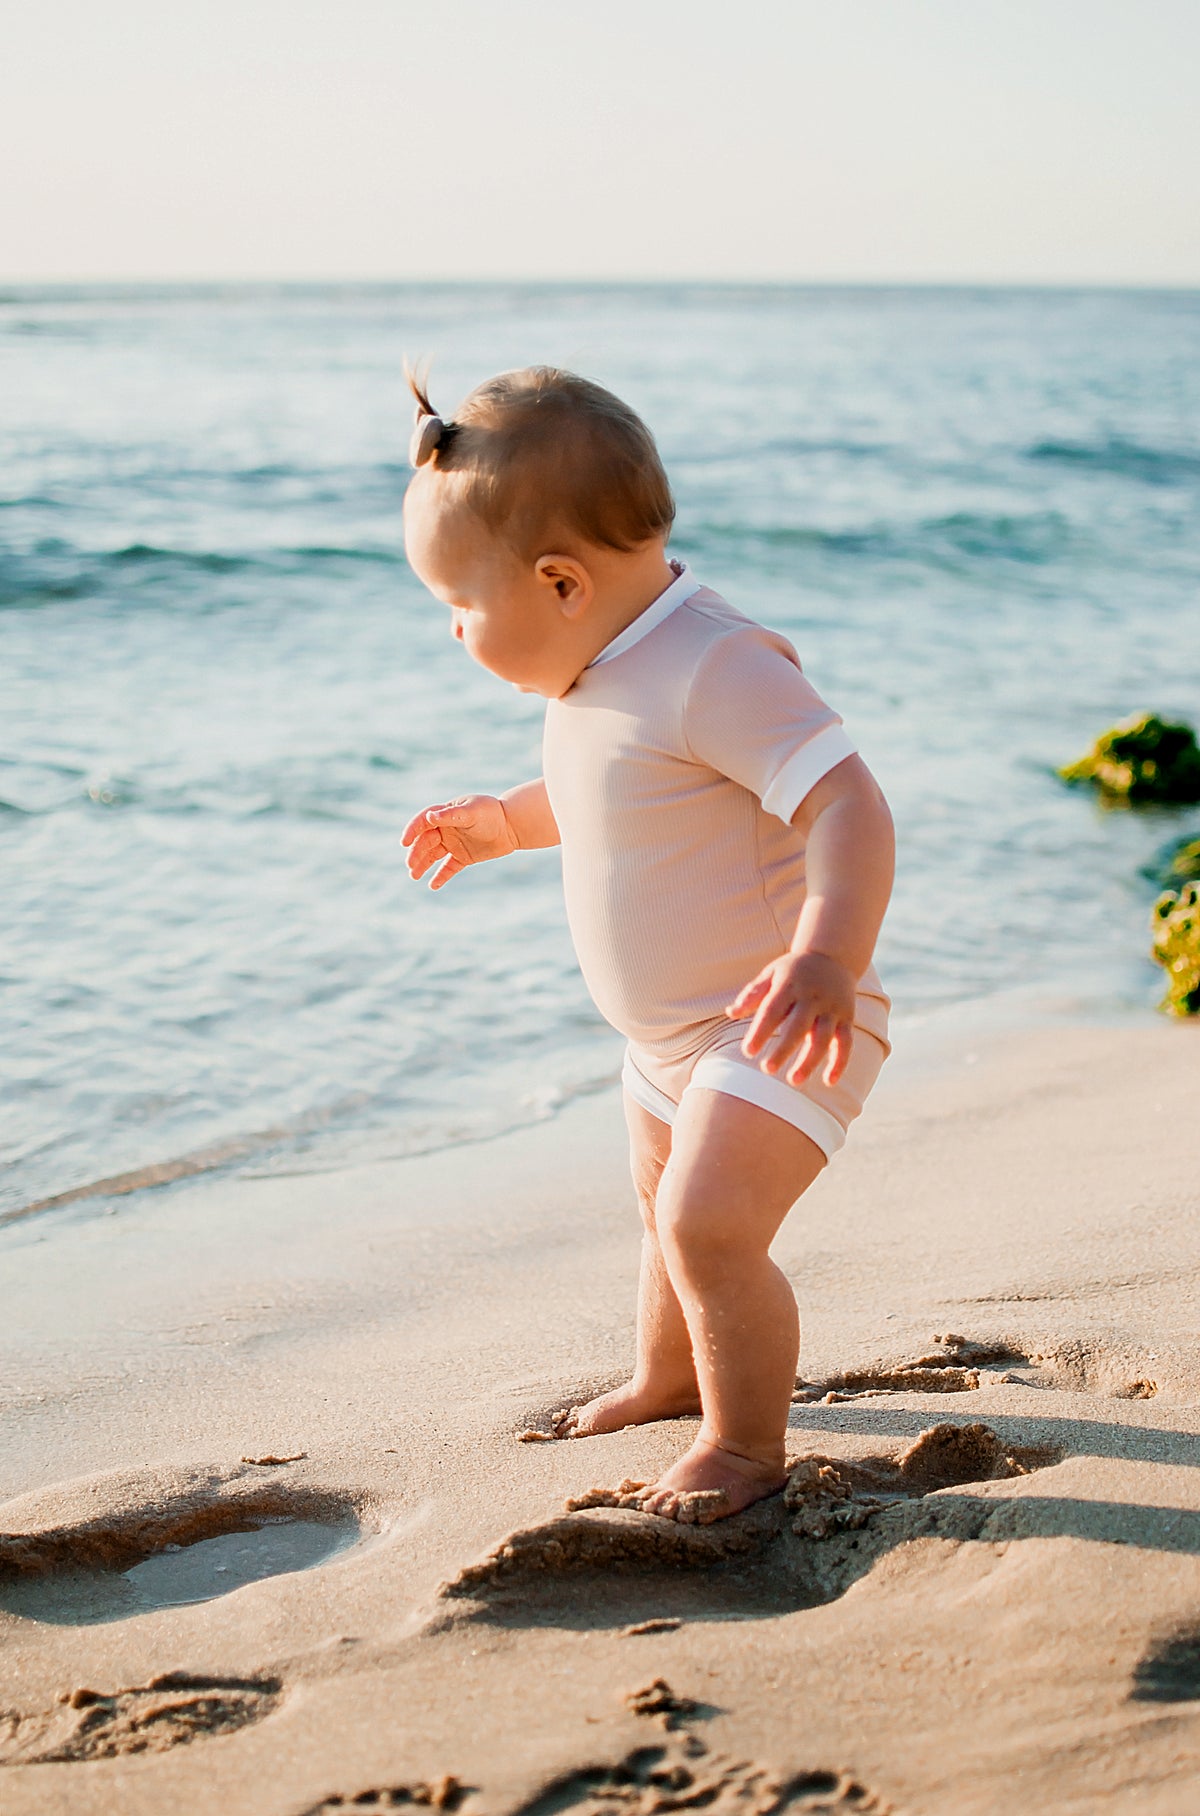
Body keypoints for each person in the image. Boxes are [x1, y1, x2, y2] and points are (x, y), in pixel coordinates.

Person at [401, 366, 894, 1524]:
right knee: (660, 1205)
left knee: (705, 1224)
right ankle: (672, 1376)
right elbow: (608, 789)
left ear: (560, 580)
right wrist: (503, 823)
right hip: (669, 1040)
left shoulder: (715, 664)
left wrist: (826, 956)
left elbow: (851, 804)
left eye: (456, 609)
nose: (453, 634)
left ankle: (743, 1443)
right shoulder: (604, 668)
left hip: (775, 1019)